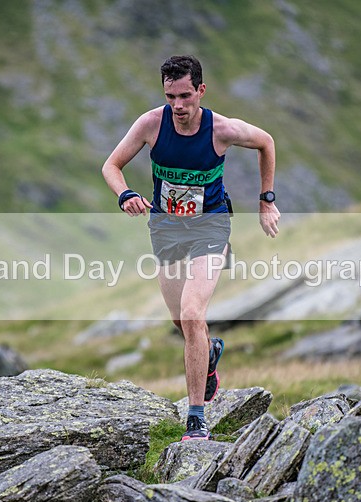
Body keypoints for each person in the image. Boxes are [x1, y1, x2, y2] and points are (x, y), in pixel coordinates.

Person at [102, 55, 279, 441]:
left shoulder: (222, 129)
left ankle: (196, 419)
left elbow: (266, 142)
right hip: (165, 230)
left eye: (185, 96)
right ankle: (209, 352)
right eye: (170, 97)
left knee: (192, 311)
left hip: (211, 227)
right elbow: (111, 166)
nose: (178, 106)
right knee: (181, 323)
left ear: (201, 90)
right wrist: (125, 194)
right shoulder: (151, 124)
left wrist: (266, 200)